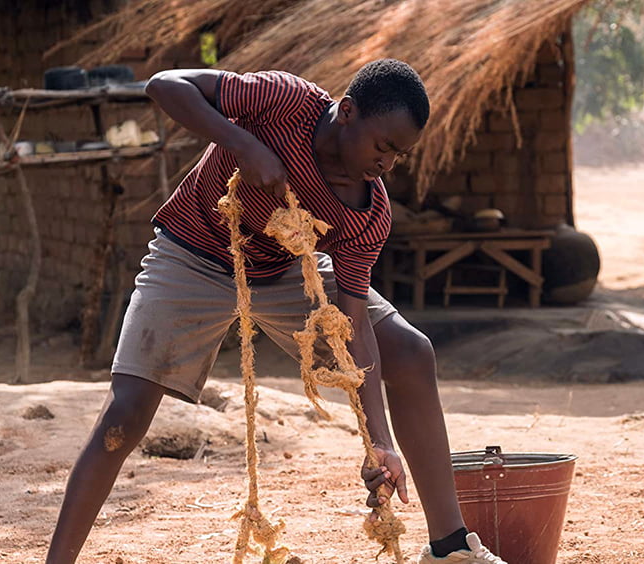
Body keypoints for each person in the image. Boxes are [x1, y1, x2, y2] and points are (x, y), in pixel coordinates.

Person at [45, 59, 506, 564]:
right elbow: (164, 86)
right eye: (383, 146)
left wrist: (379, 442)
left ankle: (450, 547)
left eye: (400, 154)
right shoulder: (285, 102)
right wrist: (244, 145)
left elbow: (351, 322)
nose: (388, 164)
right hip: (193, 254)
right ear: (347, 112)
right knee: (126, 413)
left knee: (412, 354)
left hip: (289, 271)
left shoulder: (367, 211)